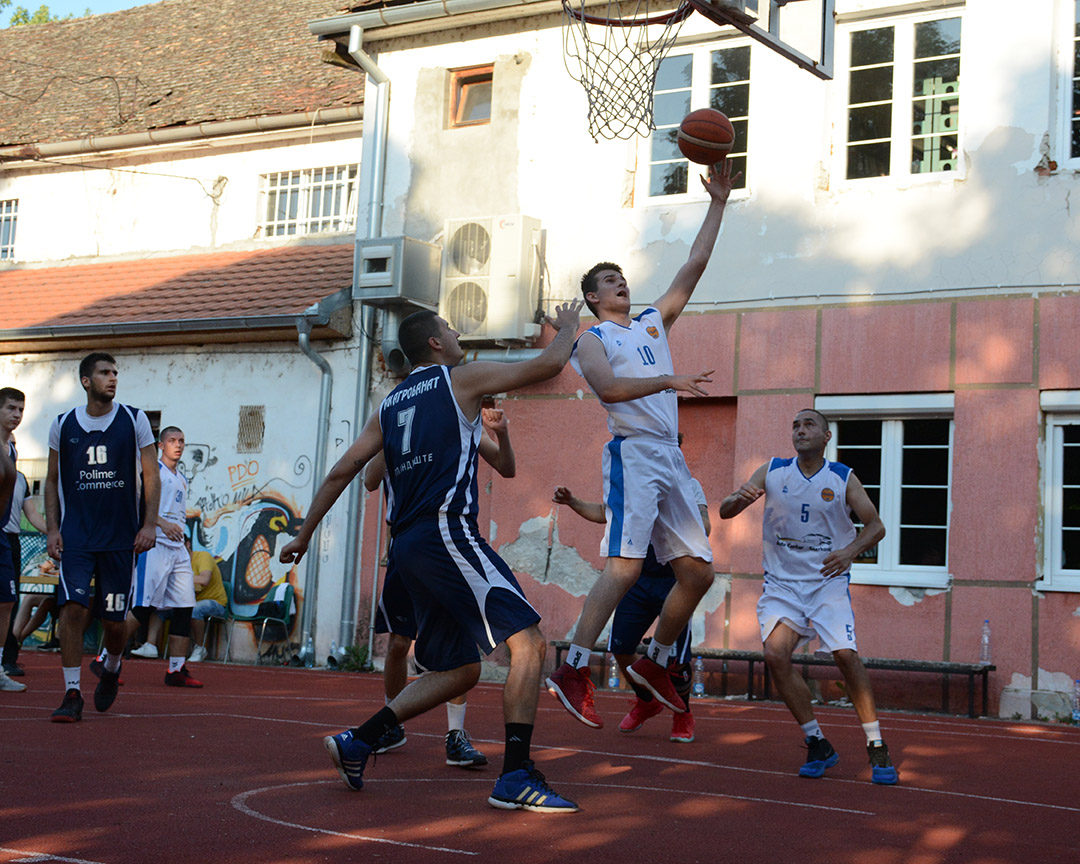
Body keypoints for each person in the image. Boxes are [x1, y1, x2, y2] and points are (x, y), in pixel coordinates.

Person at [280, 301, 583, 813]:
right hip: (448, 531)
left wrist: (305, 534)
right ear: (436, 344)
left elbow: (343, 472)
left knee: (460, 670)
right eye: (449, 327)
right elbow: (549, 364)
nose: (457, 330)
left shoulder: (391, 404)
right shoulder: (461, 379)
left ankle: (359, 741)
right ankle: (515, 776)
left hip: (410, 547)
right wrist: (572, 325)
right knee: (529, 643)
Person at [545, 160, 738, 729]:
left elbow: (694, 264)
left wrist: (719, 203)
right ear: (591, 297)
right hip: (633, 453)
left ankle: (656, 663)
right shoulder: (591, 340)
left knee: (699, 572)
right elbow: (607, 390)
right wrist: (665, 381)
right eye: (609, 281)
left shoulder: (654, 319)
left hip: (671, 458)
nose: (621, 283)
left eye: (622, 276)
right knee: (626, 568)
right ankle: (575, 667)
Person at [718, 408, 899, 785]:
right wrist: (740, 498)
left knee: (846, 656)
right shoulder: (772, 471)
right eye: (796, 425)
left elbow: (877, 526)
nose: (800, 430)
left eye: (809, 424)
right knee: (773, 655)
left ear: (826, 436)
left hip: (826, 583)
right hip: (783, 585)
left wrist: (849, 552)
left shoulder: (842, 477)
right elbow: (725, 511)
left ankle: (876, 743)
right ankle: (817, 741)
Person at [364, 404, 515, 768]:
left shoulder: (458, 424)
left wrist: (503, 432)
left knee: (458, 646)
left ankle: (456, 734)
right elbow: (369, 479)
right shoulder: (397, 428)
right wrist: (387, 442)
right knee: (399, 640)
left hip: (446, 544)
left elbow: (507, 468)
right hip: (405, 546)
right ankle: (390, 722)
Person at [553, 456, 709, 742]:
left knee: (676, 661)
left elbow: (706, 527)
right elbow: (605, 512)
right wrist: (573, 502)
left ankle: (682, 713)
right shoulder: (634, 482)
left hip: (674, 581)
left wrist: (675, 512)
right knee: (621, 647)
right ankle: (646, 701)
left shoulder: (689, 486)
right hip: (637, 581)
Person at [45, 352, 160, 722]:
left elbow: (151, 476)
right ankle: (72, 692)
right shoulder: (63, 424)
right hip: (77, 536)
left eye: (115, 372)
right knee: (73, 609)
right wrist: (51, 528)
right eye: (104, 372)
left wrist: (149, 524)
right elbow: (50, 481)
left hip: (120, 537)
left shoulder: (134, 419)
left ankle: (111, 666)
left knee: (113, 621)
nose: (112, 378)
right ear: (85, 381)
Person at [120, 426, 203, 687]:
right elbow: (138, 508)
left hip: (177, 549)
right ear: (160, 445)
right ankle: (106, 658)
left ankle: (176, 669)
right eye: (172, 441)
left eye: (181, 441)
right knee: (143, 607)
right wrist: (162, 523)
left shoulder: (181, 478)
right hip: (154, 544)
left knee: (184, 605)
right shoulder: (152, 473)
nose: (177, 445)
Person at [138, 535, 225, 664]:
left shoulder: (202, 556)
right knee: (160, 608)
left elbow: (204, 580)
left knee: (195, 609)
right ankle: (150, 645)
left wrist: (176, 578)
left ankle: (200, 648)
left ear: (187, 544)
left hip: (214, 602)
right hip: (186, 602)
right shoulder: (172, 562)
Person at [3, 466, 49, 678]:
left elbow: (31, 513)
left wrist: (54, 532)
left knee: (8, 601)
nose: (11, 447)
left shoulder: (20, 478)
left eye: (13, 444)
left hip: (10, 541)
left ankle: (7, 659)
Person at [0, 408, 21, 693]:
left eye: (21, 409)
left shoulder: (12, 450)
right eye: (10, 408)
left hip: (3, 535)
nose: (17, 414)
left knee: (6, 601)